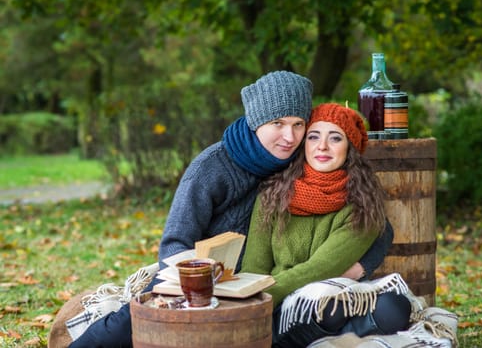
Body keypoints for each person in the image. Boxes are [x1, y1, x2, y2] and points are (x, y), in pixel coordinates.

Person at [68, 73, 391, 347]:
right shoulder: (213, 167)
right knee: (135, 322)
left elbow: (377, 225)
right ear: (256, 121)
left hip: (261, 282)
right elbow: (173, 244)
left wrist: (358, 269)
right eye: (277, 123)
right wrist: (205, 280)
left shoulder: (300, 161)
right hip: (199, 276)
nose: (289, 136)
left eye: (298, 124)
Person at [241, 103, 411, 347]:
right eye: (313, 136)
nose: (322, 146)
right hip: (279, 306)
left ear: (349, 149)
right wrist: (251, 301)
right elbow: (254, 266)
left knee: (392, 307)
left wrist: (263, 294)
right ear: (304, 145)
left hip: (323, 294)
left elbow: (320, 268)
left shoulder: (363, 205)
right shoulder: (272, 194)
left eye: (335, 138)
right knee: (330, 309)